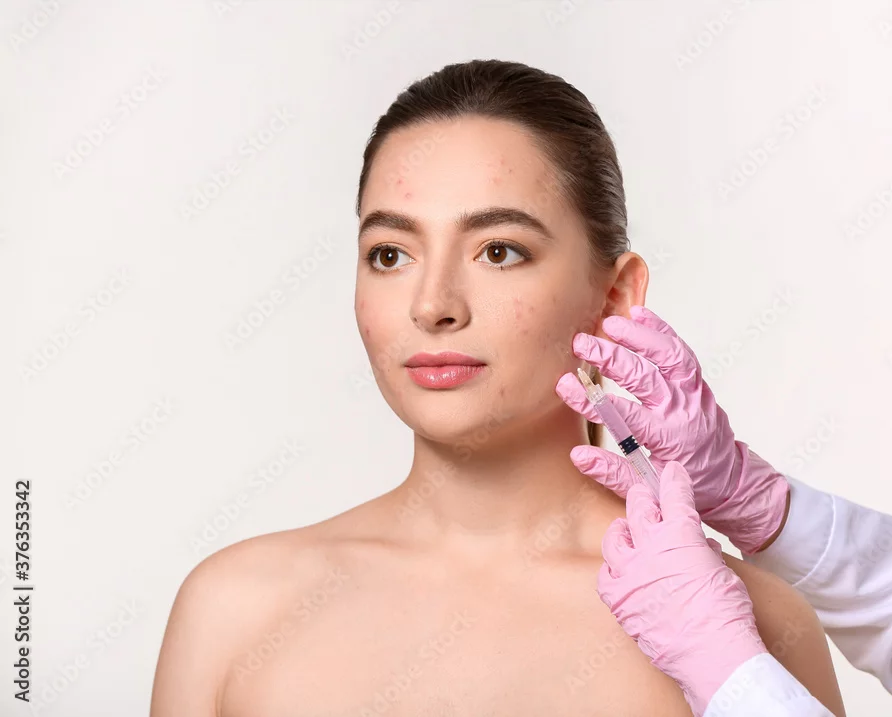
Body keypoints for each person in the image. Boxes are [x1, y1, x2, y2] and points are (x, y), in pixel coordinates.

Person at [149, 60, 847, 716]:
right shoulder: (235, 610)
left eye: (499, 251)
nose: (433, 305)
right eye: (390, 254)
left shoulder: (743, 629)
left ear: (613, 298)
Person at [559, 306, 892, 717]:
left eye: (518, 257)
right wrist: (754, 500)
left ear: (614, 297)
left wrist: (725, 671)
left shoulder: (772, 614)